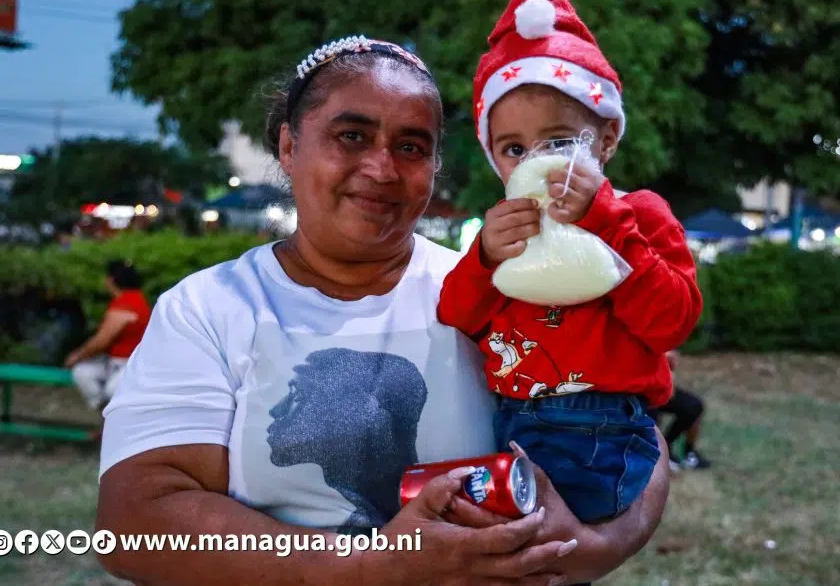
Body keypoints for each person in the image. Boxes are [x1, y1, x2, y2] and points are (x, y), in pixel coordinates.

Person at [95, 35, 671, 586]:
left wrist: (594, 546)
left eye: (411, 147)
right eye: (351, 136)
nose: (382, 168)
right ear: (289, 146)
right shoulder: (209, 308)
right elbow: (134, 524)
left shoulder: (498, 288)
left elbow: (628, 422)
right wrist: (377, 569)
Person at [438, 0, 703, 526]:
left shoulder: (638, 213)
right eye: (514, 148)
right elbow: (456, 316)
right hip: (511, 417)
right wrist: (484, 258)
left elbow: (672, 322)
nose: (536, 161)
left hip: (600, 425)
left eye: (559, 141)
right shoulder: (506, 229)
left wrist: (607, 221)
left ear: (606, 139)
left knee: (543, 547)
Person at [64, 259, 151, 411]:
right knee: (83, 373)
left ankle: (111, 419)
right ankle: (105, 417)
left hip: (131, 365)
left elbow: (101, 341)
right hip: (113, 363)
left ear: (111, 280)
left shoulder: (126, 303)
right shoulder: (137, 298)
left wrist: (76, 356)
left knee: (112, 391)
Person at [653, 350, 712, 470]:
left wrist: (667, 359)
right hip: (635, 389)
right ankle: (658, 454)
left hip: (658, 383)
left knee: (694, 405)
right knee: (650, 414)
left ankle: (686, 452)